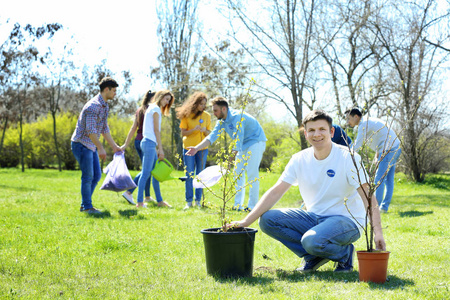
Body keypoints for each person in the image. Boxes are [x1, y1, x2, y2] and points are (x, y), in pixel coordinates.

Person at [228, 110, 386, 273]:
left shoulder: (348, 157)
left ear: (331, 132)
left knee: (312, 240)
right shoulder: (299, 159)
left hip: (347, 221)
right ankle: (313, 256)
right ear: (305, 134)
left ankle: (344, 254)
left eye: (322, 129)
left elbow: (368, 196)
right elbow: (276, 191)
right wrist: (245, 222)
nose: (316, 134)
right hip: (314, 218)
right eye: (311, 130)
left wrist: (378, 233)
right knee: (267, 220)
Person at [186, 97, 267, 211]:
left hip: (256, 141)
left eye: (215, 110)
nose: (214, 113)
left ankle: (252, 207)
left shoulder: (237, 117)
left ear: (224, 109)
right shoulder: (222, 121)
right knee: (237, 173)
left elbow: (237, 142)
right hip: (243, 145)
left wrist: (229, 161)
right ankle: (237, 205)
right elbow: (211, 137)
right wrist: (196, 148)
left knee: (252, 173)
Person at [71, 77, 122, 214]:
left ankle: (85, 204)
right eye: (114, 90)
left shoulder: (105, 106)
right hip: (81, 144)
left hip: (91, 144)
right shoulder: (93, 106)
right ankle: (87, 207)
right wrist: (100, 148)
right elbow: (91, 131)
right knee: (88, 176)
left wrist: (114, 146)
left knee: (96, 176)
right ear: (107, 89)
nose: (115, 93)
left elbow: (104, 129)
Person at [345, 107, 401, 213]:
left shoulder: (364, 124)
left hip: (389, 150)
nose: (348, 122)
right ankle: (383, 207)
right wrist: (377, 154)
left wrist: (347, 154)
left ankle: (375, 208)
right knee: (388, 180)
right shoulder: (368, 121)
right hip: (394, 147)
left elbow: (358, 145)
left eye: (349, 119)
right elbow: (382, 136)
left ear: (356, 116)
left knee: (379, 180)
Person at [135, 89, 174, 208]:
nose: (167, 102)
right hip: (149, 143)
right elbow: (156, 130)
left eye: (169, 100)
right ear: (160, 97)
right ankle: (140, 202)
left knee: (154, 174)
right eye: (166, 99)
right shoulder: (156, 109)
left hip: (148, 143)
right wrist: (160, 149)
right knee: (145, 173)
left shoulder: (151, 108)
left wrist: (156, 148)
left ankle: (160, 201)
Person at [121, 90, 159, 206]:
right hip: (147, 141)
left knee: (148, 169)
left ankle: (147, 196)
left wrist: (126, 144)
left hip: (138, 141)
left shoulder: (140, 110)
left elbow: (133, 128)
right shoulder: (152, 110)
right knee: (146, 171)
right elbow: (155, 130)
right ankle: (129, 192)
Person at [176, 92, 212, 210]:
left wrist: (204, 131)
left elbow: (210, 133)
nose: (202, 106)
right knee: (189, 174)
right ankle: (189, 201)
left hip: (202, 149)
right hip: (188, 148)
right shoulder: (187, 115)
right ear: (195, 104)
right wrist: (193, 130)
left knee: (200, 175)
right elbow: (183, 133)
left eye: (204, 104)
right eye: (201, 104)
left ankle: (198, 201)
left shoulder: (207, 116)